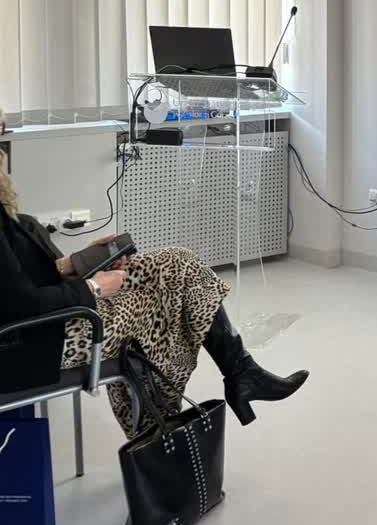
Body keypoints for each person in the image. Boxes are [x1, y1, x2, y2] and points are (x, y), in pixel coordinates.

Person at [0, 163, 308, 437]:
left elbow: (17, 279)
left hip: (48, 320)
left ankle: (242, 372)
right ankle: (162, 430)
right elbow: (19, 306)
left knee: (179, 263)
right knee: (160, 310)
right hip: (35, 341)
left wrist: (75, 263)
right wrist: (93, 287)